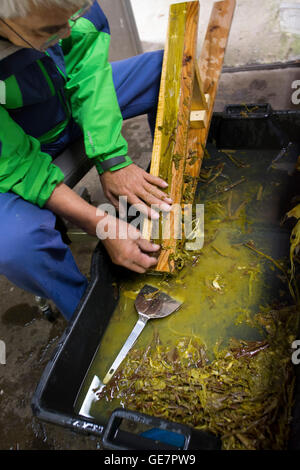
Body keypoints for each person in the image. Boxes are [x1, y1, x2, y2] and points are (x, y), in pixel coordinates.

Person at [0, 0, 172, 320]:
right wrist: (101, 225)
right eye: (49, 29)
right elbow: (15, 163)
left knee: (171, 72)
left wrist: (110, 157)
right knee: (18, 247)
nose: (65, 32)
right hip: (11, 152)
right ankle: (93, 318)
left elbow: (86, 61)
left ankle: (166, 204)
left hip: (65, 104)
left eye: (71, 17)